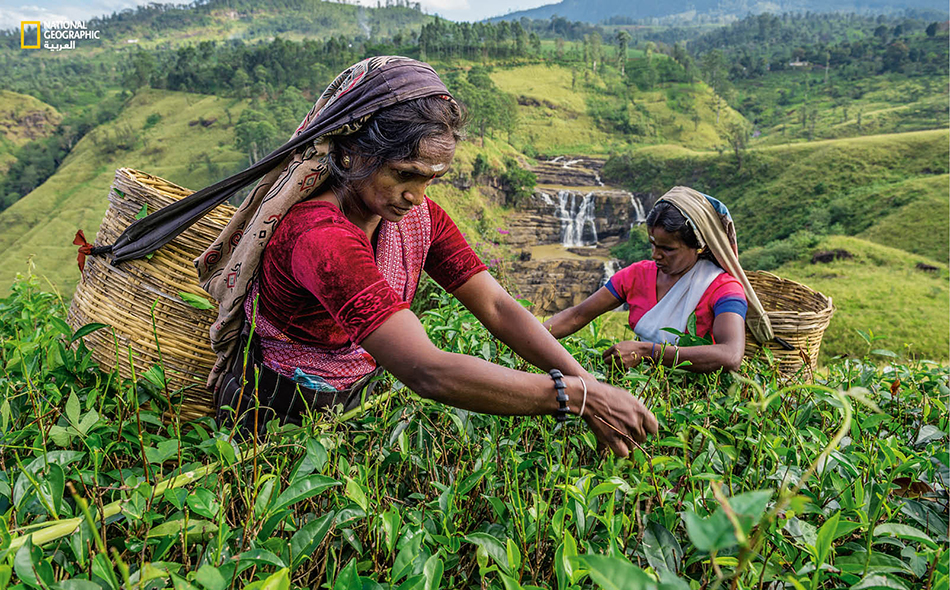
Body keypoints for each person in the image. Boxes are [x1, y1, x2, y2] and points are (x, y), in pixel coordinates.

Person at [147, 57, 656, 456]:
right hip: (279, 412)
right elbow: (426, 369)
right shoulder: (319, 237)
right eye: (404, 172)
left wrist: (592, 387)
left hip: (354, 395)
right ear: (350, 153)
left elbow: (497, 308)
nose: (416, 194)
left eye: (430, 179)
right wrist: (577, 397)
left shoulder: (417, 217)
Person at [544, 187, 773, 374]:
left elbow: (730, 355)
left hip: (694, 399)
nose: (655, 255)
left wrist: (647, 351)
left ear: (700, 247)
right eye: (653, 245)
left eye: (668, 249)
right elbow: (577, 315)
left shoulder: (723, 289)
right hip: (639, 384)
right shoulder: (636, 275)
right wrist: (523, 339)